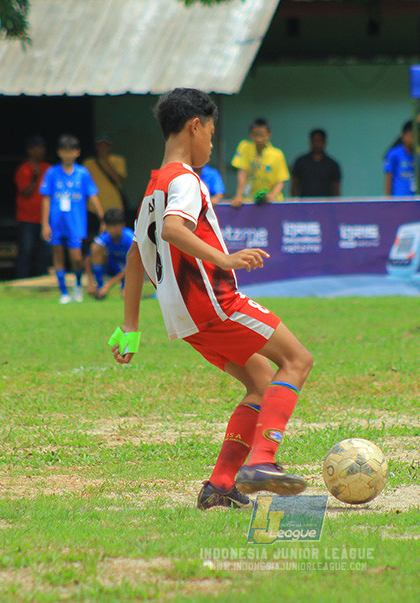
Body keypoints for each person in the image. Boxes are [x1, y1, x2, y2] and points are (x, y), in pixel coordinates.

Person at [111, 88, 313, 510]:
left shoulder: (152, 188)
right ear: (195, 126)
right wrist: (225, 256)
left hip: (184, 319)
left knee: (260, 382)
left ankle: (221, 485)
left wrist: (130, 327)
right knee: (296, 360)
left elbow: (135, 257)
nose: (210, 144)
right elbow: (173, 229)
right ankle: (263, 461)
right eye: (211, 134)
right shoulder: (185, 178)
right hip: (214, 302)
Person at [40, 134, 103, 304]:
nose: (68, 154)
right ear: (59, 152)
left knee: (76, 257)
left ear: (77, 152)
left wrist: (101, 218)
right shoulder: (52, 173)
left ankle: (77, 285)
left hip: (76, 223)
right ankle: (63, 292)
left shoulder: (83, 173)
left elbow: (92, 196)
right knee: (58, 255)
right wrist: (45, 224)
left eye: (71, 151)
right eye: (64, 151)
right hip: (56, 223)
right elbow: (46, 199)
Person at [82, 136, 128, 285]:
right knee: (95, 246)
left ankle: (122, 280)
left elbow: (117, 179)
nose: (103, 148)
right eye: (100, 145)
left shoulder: (117, 160)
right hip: (93, 209)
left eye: (106, 145)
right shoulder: (88, 163)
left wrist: (105, 160)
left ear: (110, 146)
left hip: (114, 206)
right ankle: (98, 280)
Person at [13, 134, 52, 278]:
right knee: (26, 252)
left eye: (42, 147)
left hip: (45, 219)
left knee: (46, 253)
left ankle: (43, 281)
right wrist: (35, 179)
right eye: (37, 148)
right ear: (29, 150)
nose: (40, 151)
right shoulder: (24, 169)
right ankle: (22, 280)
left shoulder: (48, 168)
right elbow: (26, 193)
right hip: (27, 219)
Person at [230, 118, 289, 206]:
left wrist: (272, 196)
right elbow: (242, 172)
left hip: (272, 202)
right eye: (255, 134)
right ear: (250, 135)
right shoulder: (244, 147)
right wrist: (239, 195)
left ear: (269, 135)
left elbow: (280, 181)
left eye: (262, 135)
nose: (259, 138)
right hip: (250, 200)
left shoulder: (277, 154)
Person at [89, 208, 135, 300]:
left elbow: (132, 266)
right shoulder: (105, 237)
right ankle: (99, 286)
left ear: (122, 225)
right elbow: (88, 258)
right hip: (114, 267)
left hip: (130, 270)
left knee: (127, 295)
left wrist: (109, 285)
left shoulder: (130, 237)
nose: (112, 230)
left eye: (114, 226)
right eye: (109, 226)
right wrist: (90, 281)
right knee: (96, 248)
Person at [291, 128, 341, 197]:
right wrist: (294, 205)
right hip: (305, 204)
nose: (317, 143)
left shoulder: (332, 164)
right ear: (310, 142)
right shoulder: (301, 162)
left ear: (324, 142)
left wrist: (336, 206)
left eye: (319, 140)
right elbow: (294, 185)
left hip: (326, 205)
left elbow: (336, 189)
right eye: (314, 140)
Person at [383, 120, 420, 196]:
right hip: (399, 199)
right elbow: (388, 177)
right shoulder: (394, 154)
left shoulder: (418, 155)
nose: (414, 140)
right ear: (403, 136)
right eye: (411, 136)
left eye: (417, 137)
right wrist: (388, 201)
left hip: (414, 199)